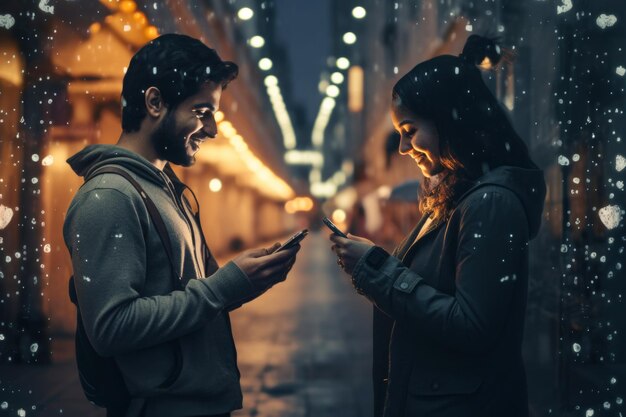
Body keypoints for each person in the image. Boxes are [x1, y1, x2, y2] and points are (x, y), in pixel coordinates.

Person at [63, 34, 300, 417]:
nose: (211, 130)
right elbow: (111, 328)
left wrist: (245, 280)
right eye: (202, 111)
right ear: (155, 102)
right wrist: (223, 289)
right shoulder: (109, 197)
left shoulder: (164, 187)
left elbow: (190, 292)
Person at [330, 35, 546, 417]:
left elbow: (472, 326)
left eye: (410, 130)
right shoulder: (458, 197)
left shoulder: (490, 203)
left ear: (450, 119)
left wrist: (377, 269)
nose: (402, 147)